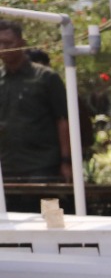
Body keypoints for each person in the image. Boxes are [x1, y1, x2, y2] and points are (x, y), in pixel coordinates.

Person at [0, 19, 71, 192]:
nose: (3, 48)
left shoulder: (46, 77)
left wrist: (67, 161)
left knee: (44, 213)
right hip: (7, 166)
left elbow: (63, 121)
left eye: (8, 43)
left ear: (22, 43)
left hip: (42, 165)